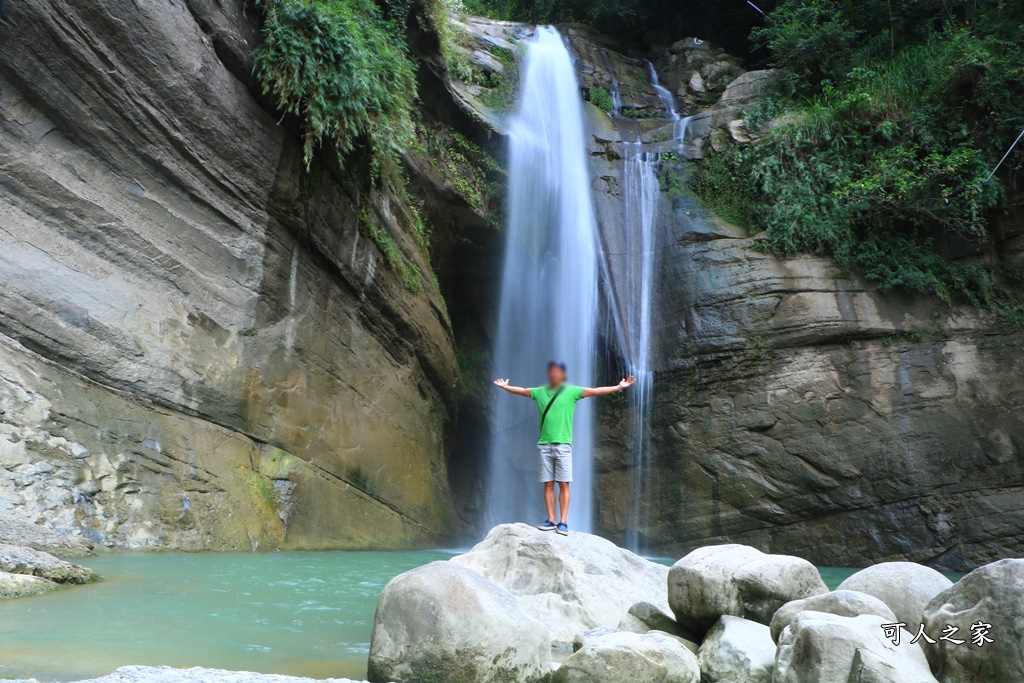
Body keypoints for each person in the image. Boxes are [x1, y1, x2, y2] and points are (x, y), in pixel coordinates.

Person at [493, 361, 636, 536]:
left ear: (563, 376)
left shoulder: (572, 391)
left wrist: (619, 387)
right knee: (548, 484)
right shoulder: (540, 391)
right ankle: (551, 520)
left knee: (564, 484)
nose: (553, 375)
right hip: (544, 444)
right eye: (551, 372)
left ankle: (563, 522)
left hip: (563, 445)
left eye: (557, 372)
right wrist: (506, 387)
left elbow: (596, 391)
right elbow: (522, 391)